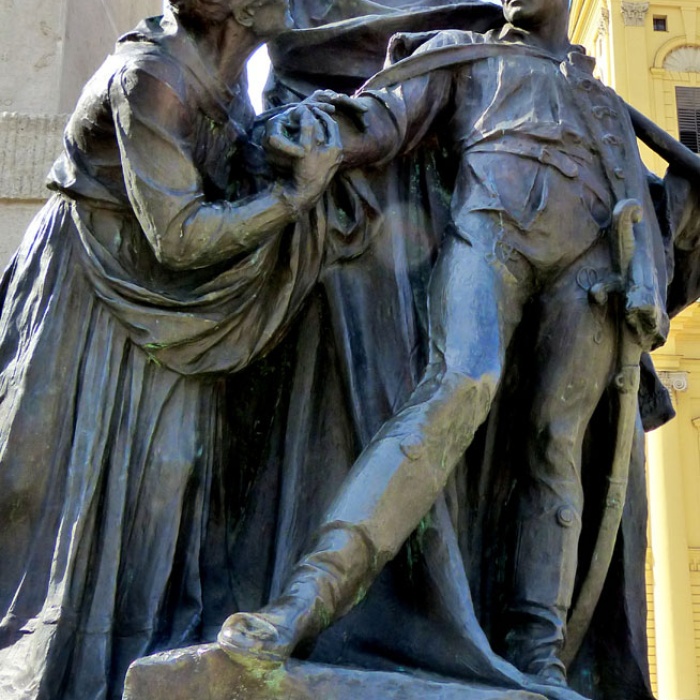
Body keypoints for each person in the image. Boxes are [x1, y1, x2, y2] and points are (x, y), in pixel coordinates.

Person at [218, 0, 671, 690]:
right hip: (490, 234)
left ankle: (540, 656)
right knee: (460, 382)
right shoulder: (466, 52)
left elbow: (642, 207)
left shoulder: (604, 103)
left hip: (590, 273)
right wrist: (322, 131)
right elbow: (384, 117)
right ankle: (304, 601)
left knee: (557, 448)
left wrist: (645, 280)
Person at [0, 0, 342, 697]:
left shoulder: (229, 78)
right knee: (43, 485)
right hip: (90, 294)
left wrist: (270, 145)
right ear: (241, 9)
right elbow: (180, 236)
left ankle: (136, 666)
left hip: (169, 314)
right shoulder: (150, 77)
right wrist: (295, 195)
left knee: (170, 474)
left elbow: (224, 164)